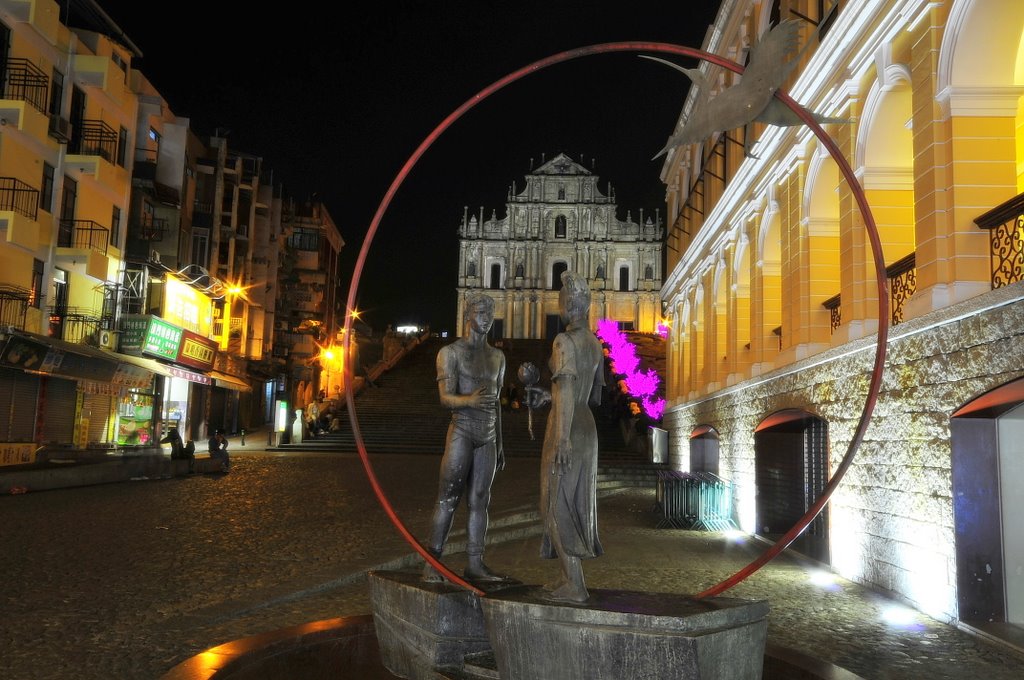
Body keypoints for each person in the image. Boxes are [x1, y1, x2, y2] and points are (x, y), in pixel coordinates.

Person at [524, 271, 605, 603]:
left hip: (568, 426)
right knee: (573, 499)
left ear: (567, 304)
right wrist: (547, 396)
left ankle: (575, 584)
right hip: (585, 422)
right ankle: (568, 576)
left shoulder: (564, 341)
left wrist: (561, 439)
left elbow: (568, 386)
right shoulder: (594, 343)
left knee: (556, 501)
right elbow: (589, 392)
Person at [423, 294, 509, 584]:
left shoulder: (498, 357)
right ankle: (432, 562)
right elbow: (445, 398)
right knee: (448, 498)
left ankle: (475, 563)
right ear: (468, 313)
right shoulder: (450, 353)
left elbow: (496, 401)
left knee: (480, 500)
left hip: (488, 434)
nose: (487, 317)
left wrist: (500, 443)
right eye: (481, 311)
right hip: (461, 429)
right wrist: (469, 401)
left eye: (491, 312)